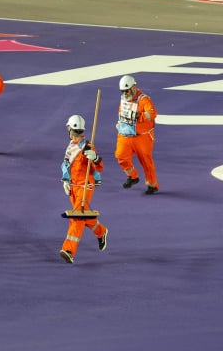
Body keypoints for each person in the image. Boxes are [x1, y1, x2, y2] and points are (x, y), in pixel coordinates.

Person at [59, 115, 107, 264]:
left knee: (77, 217)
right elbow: (66, 164)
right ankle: (101, 231)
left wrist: (95, 157)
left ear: (70, 130)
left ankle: (68, 250)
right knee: (84, 216)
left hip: (85, 186)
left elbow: (100, 167)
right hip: (73, 186)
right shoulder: (71, 145)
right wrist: (65, 181)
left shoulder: (87, 147)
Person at [116, 74, 159, 194]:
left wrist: (139, 116)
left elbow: (152, 113)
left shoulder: (143, 100)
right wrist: (120, 123)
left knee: (146, 161)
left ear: (133, 87)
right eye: (123, 91)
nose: (125, 93)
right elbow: (122, 113)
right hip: (125, 135)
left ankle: (152, 185)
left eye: (127, 90)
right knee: (120, 156)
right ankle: (133, 176)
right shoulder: (123, 99)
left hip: (142, 137)